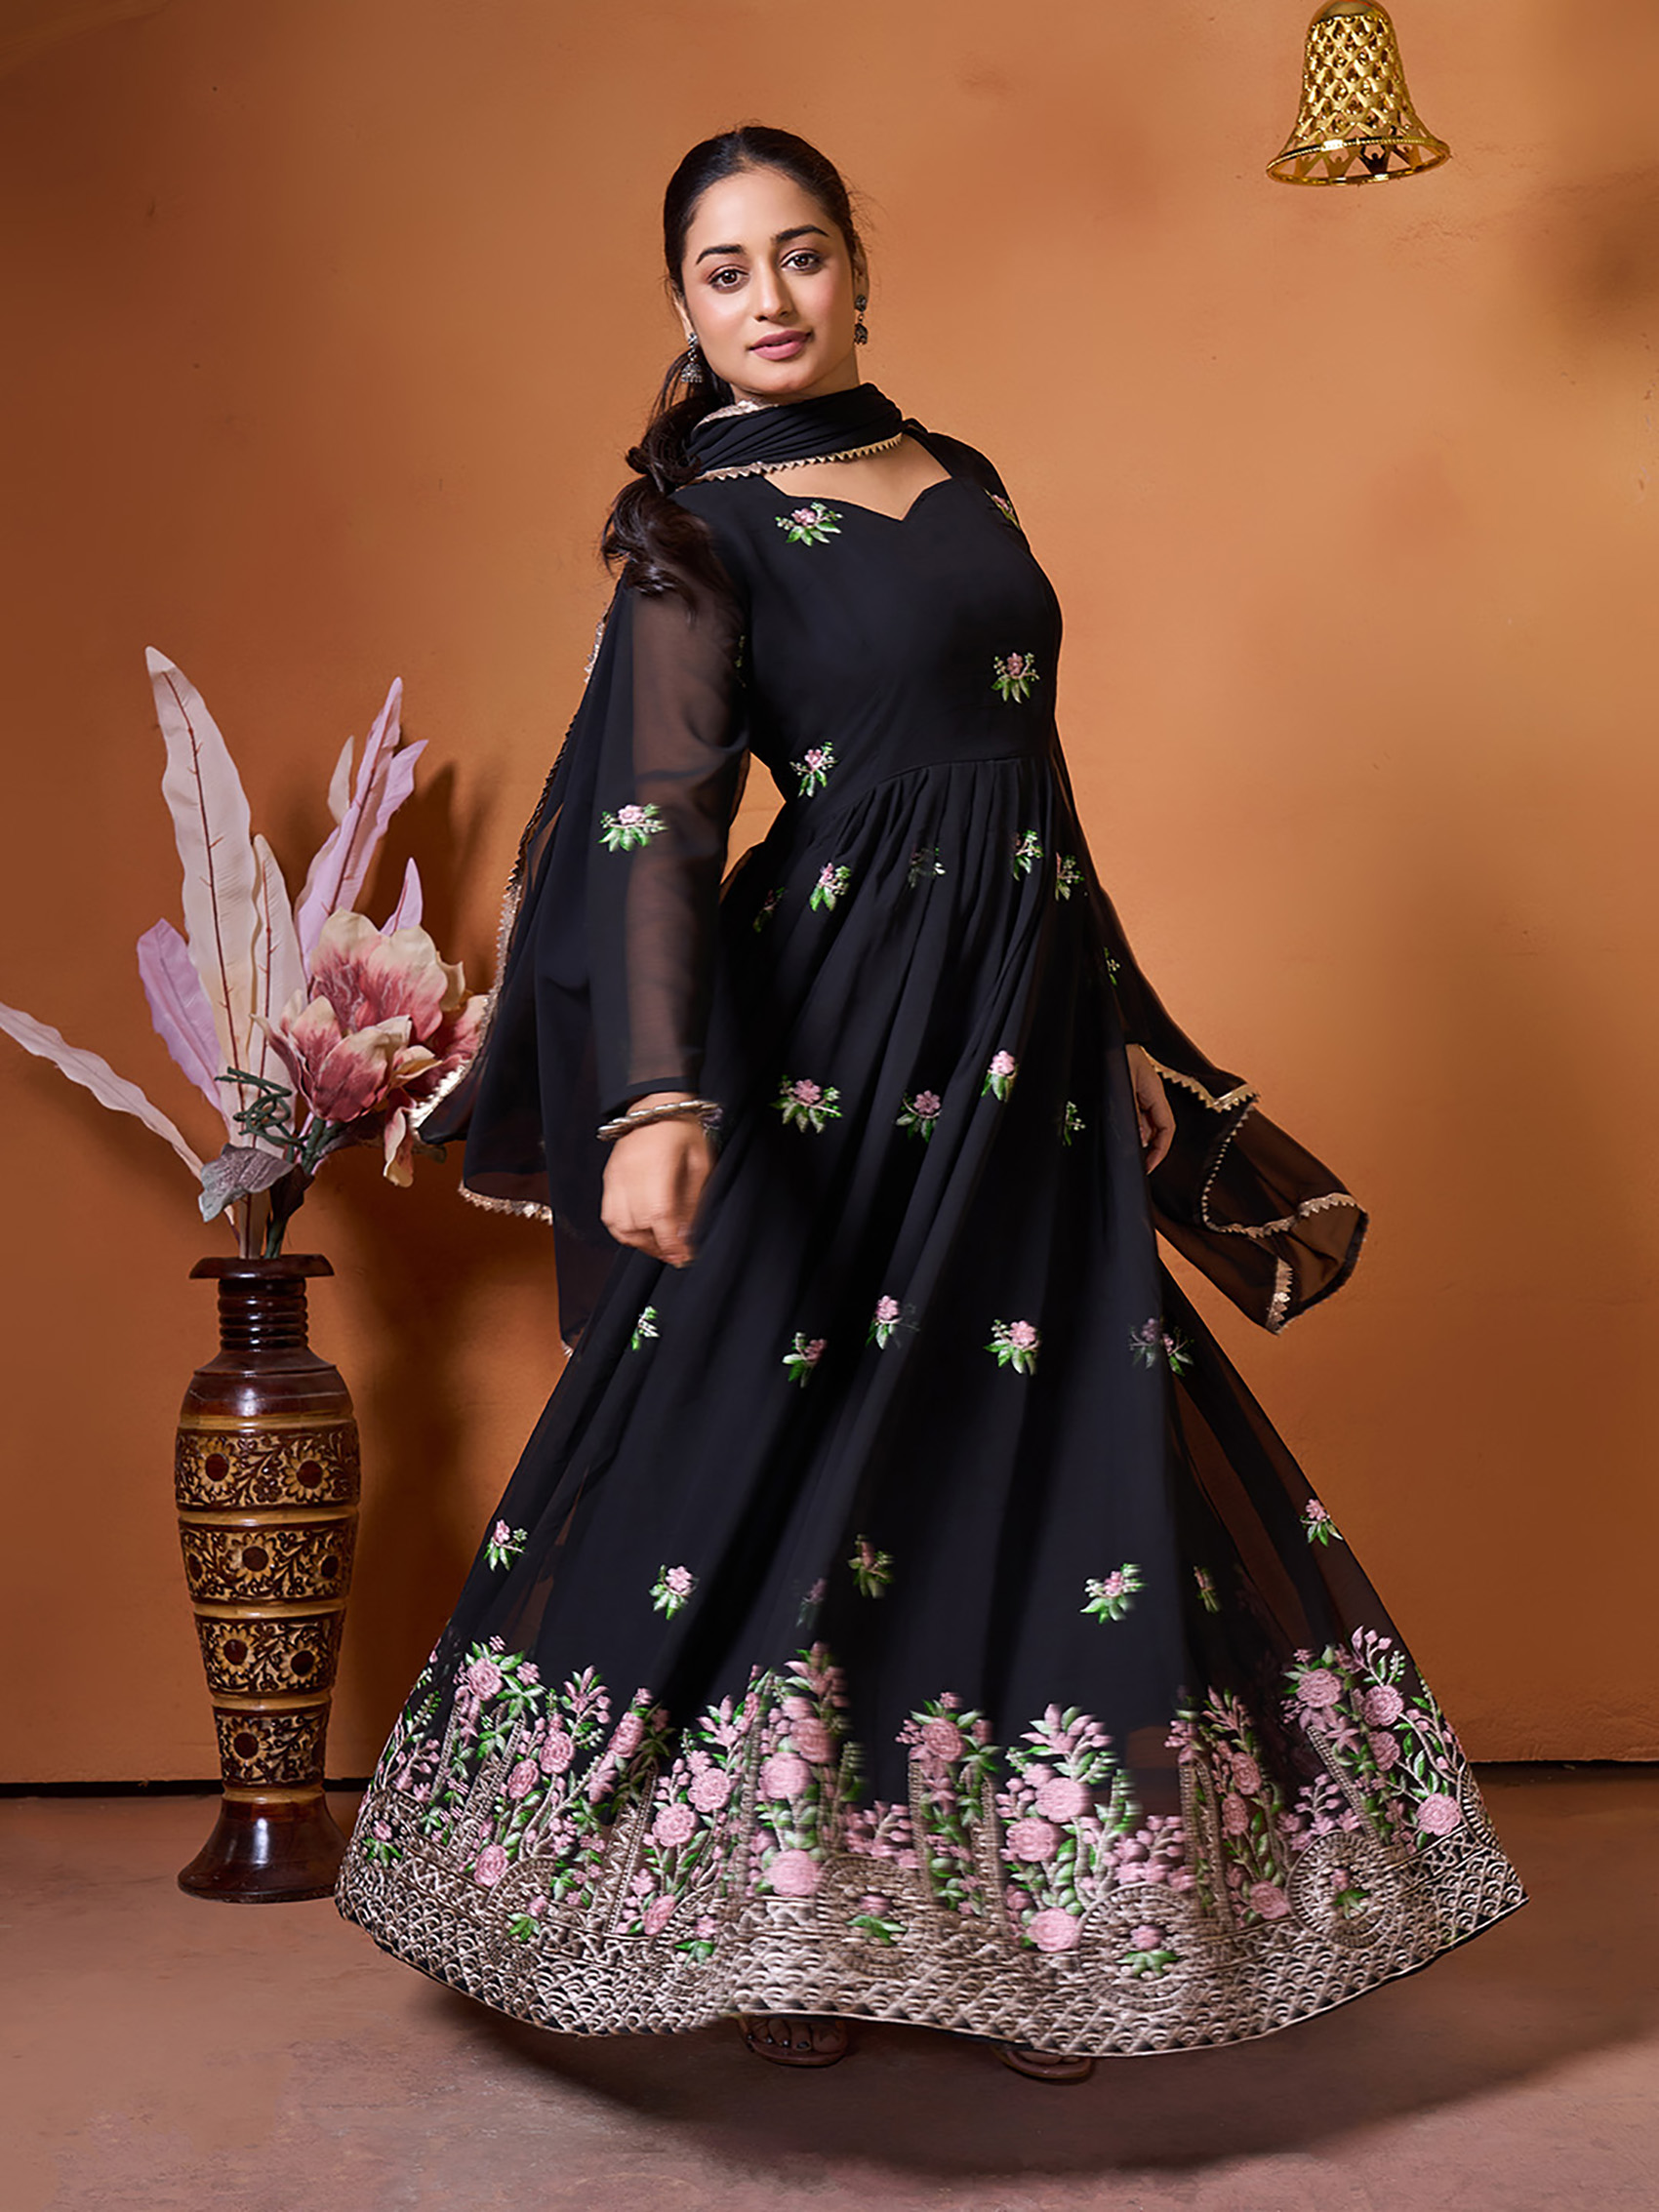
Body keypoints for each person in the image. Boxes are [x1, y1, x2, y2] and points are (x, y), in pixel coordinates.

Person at [336, 126, 1523, 2080]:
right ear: (686, 315)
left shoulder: (958, 482)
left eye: (801, 256)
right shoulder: (692, 534)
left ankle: (1035, 1922)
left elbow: (1028, 793)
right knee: (789, 1451)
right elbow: (647, 826)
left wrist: (1125, 1027)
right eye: (726, 274)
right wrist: (649, 1092)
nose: (773, 300)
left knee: (1023, 1444)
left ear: (858, 270)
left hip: (1030, 1036)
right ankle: (772, 1929)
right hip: (839, 1044)